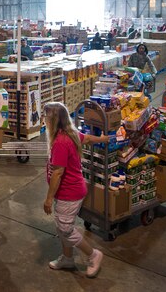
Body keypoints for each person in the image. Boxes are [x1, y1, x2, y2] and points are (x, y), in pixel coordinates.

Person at [42, 102, 109, 278]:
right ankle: (67, 258)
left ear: (54, 120)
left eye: (46, 117)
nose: (44, 120)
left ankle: (93, 255)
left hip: (68, 192)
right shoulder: (69, 134)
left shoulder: (60, 142)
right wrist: (102, 139)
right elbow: (86, 138)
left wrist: (49, 199)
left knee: (65, 229)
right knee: (63, 226)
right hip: (71, 190)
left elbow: (57, 173)